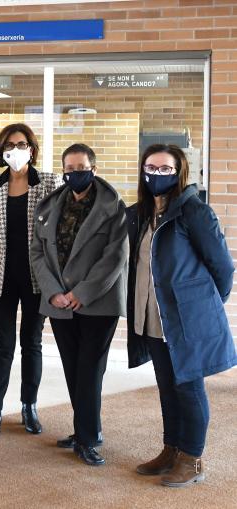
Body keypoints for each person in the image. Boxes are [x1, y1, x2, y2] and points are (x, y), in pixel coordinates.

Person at [126, 144, 235, 487]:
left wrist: (204, 306)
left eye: (165, 169)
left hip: (186, 320)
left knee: (188, 388)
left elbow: (223, 267)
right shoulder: (141, 214)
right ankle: (171, 449)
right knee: (167, 388)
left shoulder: (194, 212)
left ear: (179, 173)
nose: (156, 175)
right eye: (151, 168)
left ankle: (192, 459)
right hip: (152, 317)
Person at [29, 144, 127, 466]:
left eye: (81, 168)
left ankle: (87, 438)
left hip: (98, 303)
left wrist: (82, 292)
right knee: (73, 368)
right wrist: (53, 292)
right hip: (59, 303)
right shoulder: (49, 206)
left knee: (89, 370)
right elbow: (38, 252)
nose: (75, 173)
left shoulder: (114, 207)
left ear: (93, 170)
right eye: (69, 169)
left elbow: (115, 256)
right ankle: (85, 429)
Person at [0, 123, 61, 440]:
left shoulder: (48, 181)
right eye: (9, 145)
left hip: (37, 277)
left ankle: (29, 407)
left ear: (31, 149)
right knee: (3, 344)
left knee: (31, 343)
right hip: (1, 275)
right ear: (1, 151)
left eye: (21, 144)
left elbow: (56, 231)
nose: (15, 150)